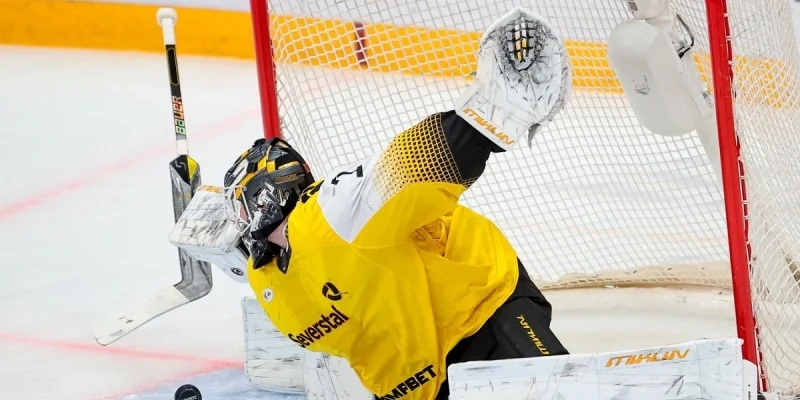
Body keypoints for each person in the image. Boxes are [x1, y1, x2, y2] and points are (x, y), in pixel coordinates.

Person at [223, 8, 571, 400]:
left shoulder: (331, 214)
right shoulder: (267, 277)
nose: (240, 221)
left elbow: (411, 166)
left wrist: (489, 115)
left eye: (242, 207)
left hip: (481, 307)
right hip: (419, 381)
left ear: (268, 197)